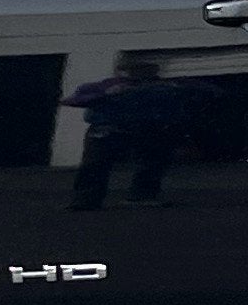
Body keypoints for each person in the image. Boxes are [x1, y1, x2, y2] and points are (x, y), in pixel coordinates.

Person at [63, 53, 205, 209]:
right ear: (122, 71)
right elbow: (73, 100)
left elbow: (206, 91)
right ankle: (86, 200)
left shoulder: (165, 85)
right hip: (109, 129)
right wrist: (105, 94)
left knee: (151, 163)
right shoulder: (104, 86)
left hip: (150, 128)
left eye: (146, 70)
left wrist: (179, 88)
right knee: (95, 165)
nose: (139, 74)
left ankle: (141, 196)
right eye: (134, 70)